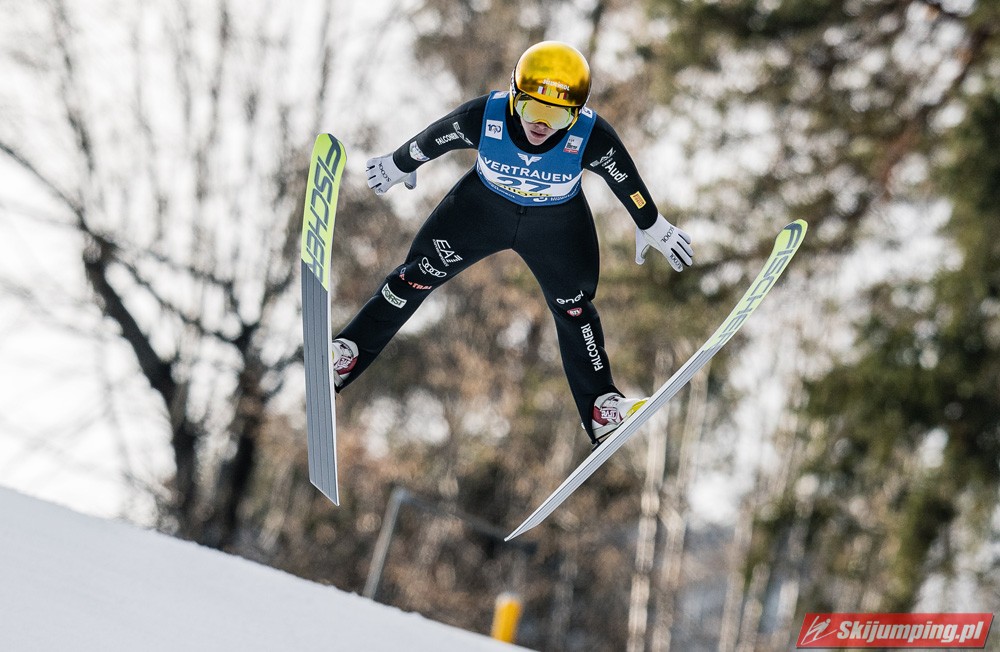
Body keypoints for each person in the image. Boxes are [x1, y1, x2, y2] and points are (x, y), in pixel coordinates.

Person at [332, 41, 693, 448]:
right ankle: (347, 354)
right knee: (415, 277)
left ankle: (600, 407)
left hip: (554, 226)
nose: (541, 124)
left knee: (574, 309)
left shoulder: (592, 136)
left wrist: (652, 224)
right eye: (531, 108)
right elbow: (434, 138)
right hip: (480, 212)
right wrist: (401, 163)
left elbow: (625, 180)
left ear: (576, 114)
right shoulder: (484, 116)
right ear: (513, 96)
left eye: (557, 115)